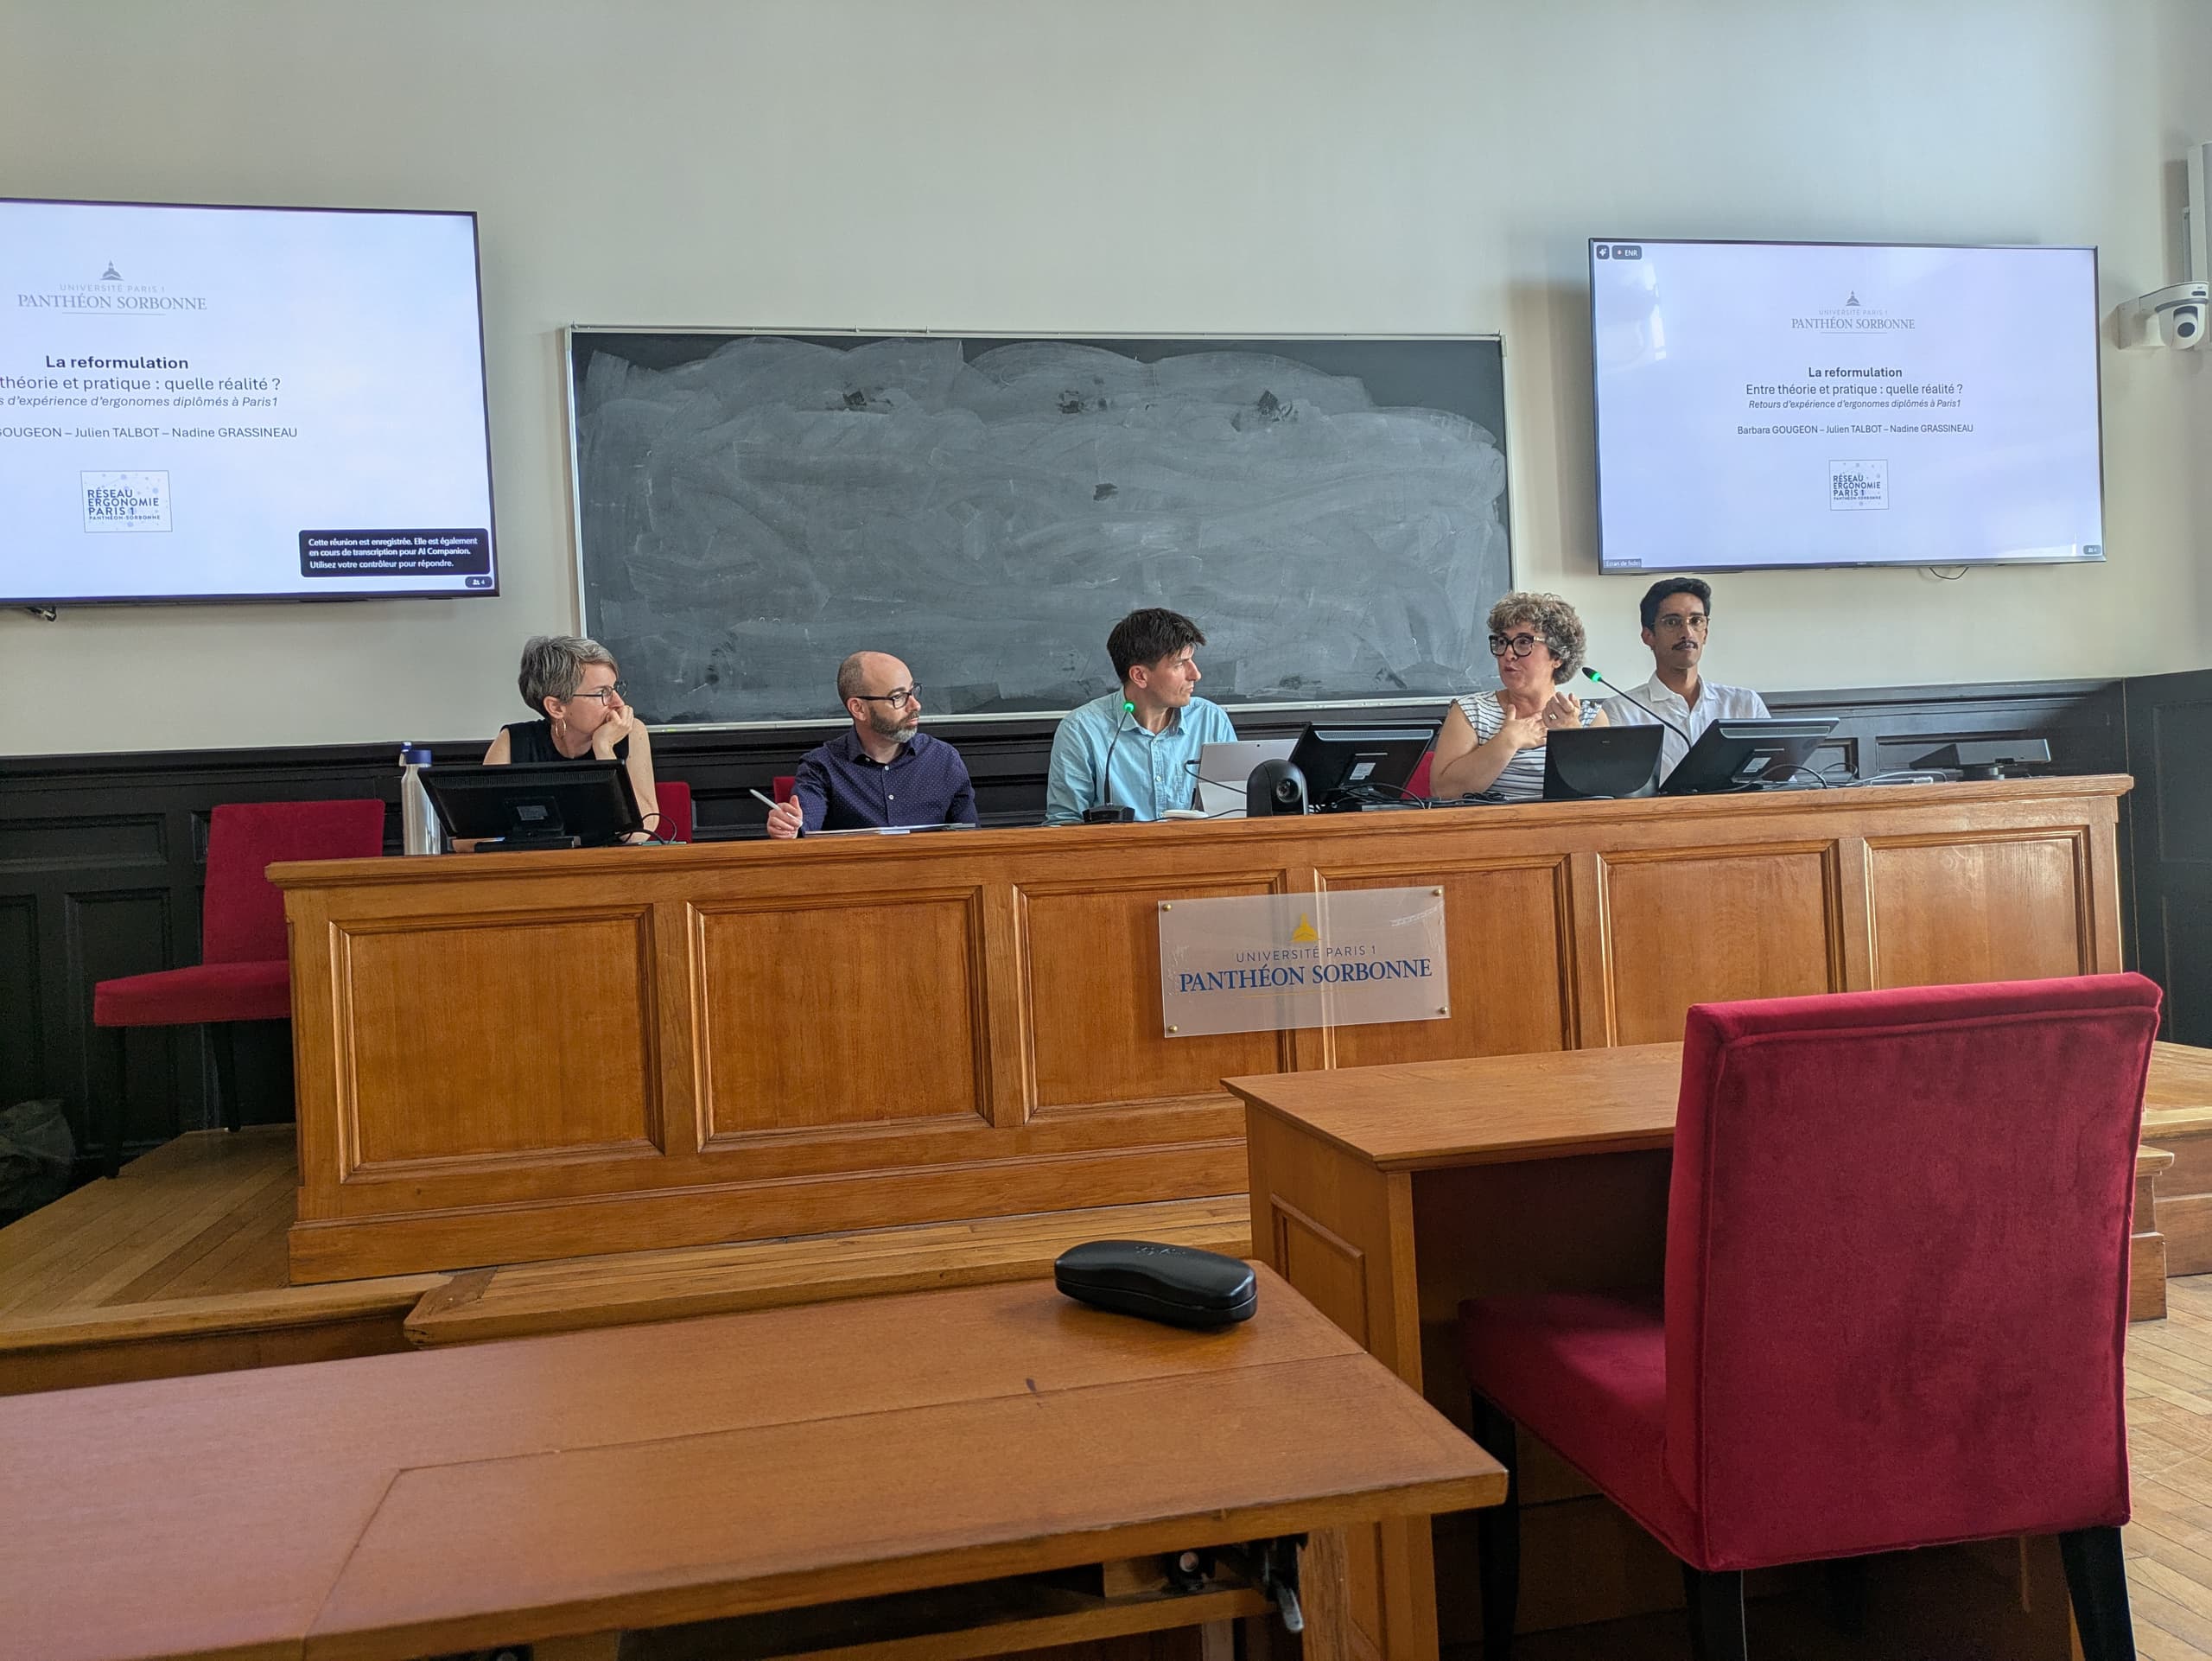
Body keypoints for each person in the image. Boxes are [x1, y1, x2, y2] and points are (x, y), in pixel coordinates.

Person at [1045, 608, 1237, 824]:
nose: (1195, 674)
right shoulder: (1081, 729)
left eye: (1191, 661)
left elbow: (1235, 812)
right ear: (1139, 676)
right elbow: (1065, 823)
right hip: (1118, 855)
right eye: (1180, 664)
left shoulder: (1210, 720)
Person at [765, 652, 977, 837]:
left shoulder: (943, 759)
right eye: (898, 697)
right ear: (858, 709)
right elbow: (803, 829)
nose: (915, 704)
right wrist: (788, 828)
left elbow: (973, 842)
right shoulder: (821, 766)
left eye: (913, 691)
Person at [1428, 591, 1608, 802]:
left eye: (1523, 643)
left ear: (1557, 656)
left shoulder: (1589, 718)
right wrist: (1507, 742)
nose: (1508, 654)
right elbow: (1442, 791)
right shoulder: (1470, 711)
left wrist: (1573, 740)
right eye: (1502, 642)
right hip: (1490, 831)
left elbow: (1606, 796)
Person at [483, 634, 662, 841]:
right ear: (556, 707)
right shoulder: (514, 741)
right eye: (602, 693)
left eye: (614, 689)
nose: (619, 703)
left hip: (612, 868)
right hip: (537, 868)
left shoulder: (631, 733)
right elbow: (468, 839)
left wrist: (604, 749)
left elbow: (638, 834)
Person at [1603, 576, 1770, 777]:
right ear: (1648, 636)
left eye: (1696, 621)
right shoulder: (1622, 712)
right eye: (1672, 622)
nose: (1687, 632)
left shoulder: (1744, 705)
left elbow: (1779, 783)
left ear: (1705, 633)